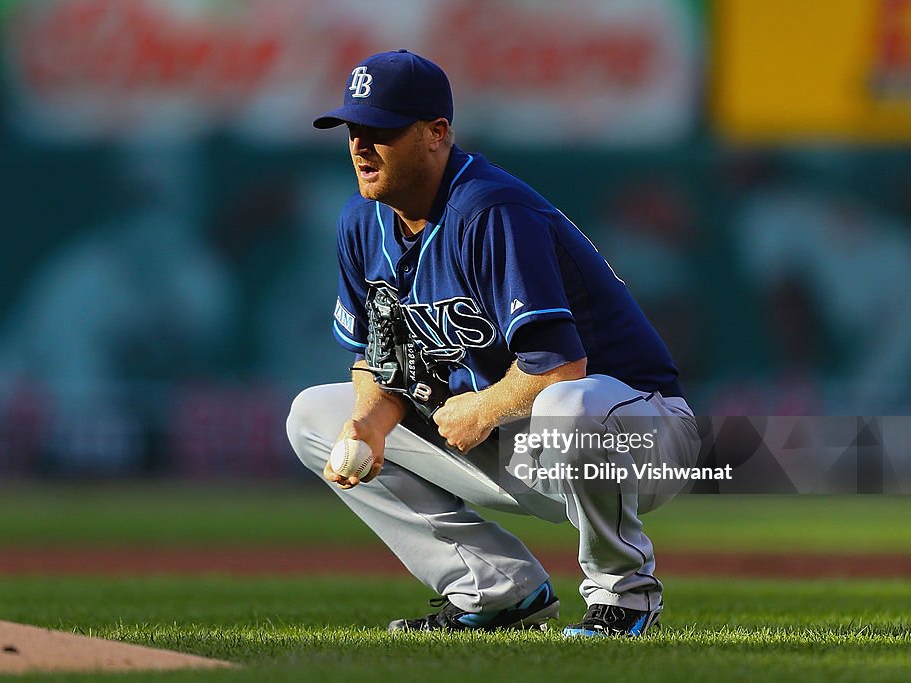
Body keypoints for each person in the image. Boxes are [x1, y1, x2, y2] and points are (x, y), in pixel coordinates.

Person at [287, 50, 700, 637]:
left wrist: (481, 407)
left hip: (637, 432)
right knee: (314, 417)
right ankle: (499, 590)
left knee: (569, 406)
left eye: (381, 130)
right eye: (354, 129)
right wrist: (369, 424)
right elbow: (377, 362)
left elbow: (561, 368)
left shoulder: (490, 209)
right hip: (513, 440)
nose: (360, 145)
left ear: (437, 134)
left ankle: (625, 595)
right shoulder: (361, 222)